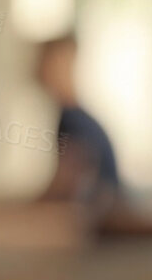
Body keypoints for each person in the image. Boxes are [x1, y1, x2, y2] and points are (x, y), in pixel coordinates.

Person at [34, 34, 119, 210]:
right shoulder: (71, 117)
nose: (36, 67)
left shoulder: (75, 122)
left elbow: (65, 186)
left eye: (44, 60)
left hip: (103, 231)